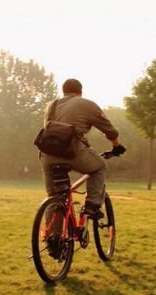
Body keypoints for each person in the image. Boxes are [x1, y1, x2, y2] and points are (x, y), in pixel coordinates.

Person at [40, 78, 125, 219]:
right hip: (72, 152)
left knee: (55, 198)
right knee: (100, 167)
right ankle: (92, 206)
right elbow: (110, 131)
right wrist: (117, 146)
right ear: (80, 92)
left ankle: (53, 238)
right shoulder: (86, 104)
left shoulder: (51, 105)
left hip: (47, 155)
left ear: (63, 91)